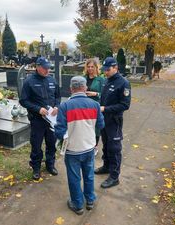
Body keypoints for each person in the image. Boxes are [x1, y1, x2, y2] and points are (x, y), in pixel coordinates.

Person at [55, 76, 104, 215]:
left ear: (71, 88)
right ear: (85, 88)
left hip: (72, 150)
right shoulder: (95, 105)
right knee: (89, 175)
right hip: (89, 147)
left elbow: (59, 131)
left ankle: (77, 204)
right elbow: (101, 125)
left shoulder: (65, 106)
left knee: (74, 177)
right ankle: (90, 200)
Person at [19, 56, 60, 180]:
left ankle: (50, 164)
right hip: (37, 119)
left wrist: (57, 106)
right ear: (37, 67)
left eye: (48, 68)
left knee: (51, 143)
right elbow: (23, 101)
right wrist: (38, 109)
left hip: (51, 120)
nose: (47, 71)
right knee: (36, 144)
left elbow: (58, 97)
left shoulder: (52, 80)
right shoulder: (29, 82)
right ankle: (36, 167)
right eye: (44, 68)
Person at [95, 57, 131, 189]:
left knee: (114, 148)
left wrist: (105, 108)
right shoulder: (106, 81)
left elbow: (125, 105)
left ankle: (114, 176)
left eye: (108, 70)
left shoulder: (123, 83)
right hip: (104, 119)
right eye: (104, 70)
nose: (106, 72)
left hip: (114, 121)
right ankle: (106, 166)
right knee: (105, 145)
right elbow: (103, 99)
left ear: (115, 68)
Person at [84, 58, 105, 155]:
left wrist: (95, 94)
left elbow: (104, 95)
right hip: (84, 106)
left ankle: (95, 146)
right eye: (88, 67)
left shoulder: (101, 79)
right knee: (85, 126)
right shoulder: (83, 78)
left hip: (95, 106)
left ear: (96, 67)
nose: (90, 68)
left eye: (92, 66)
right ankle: (86, 145)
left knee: (96, 128)